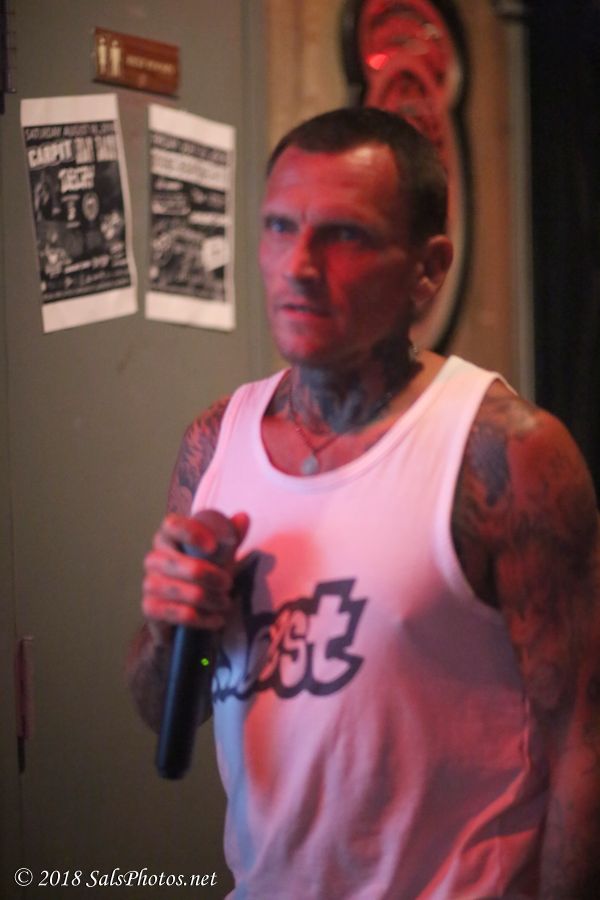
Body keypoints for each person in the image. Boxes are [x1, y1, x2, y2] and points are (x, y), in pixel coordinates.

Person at [127, 107, 600, 899]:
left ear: (428, 268)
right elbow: (170, 705)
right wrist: (176, 632)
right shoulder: (215, 441)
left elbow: (583, 743)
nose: (299, 264)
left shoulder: (503, 454)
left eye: (344, 235)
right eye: (280, 227)